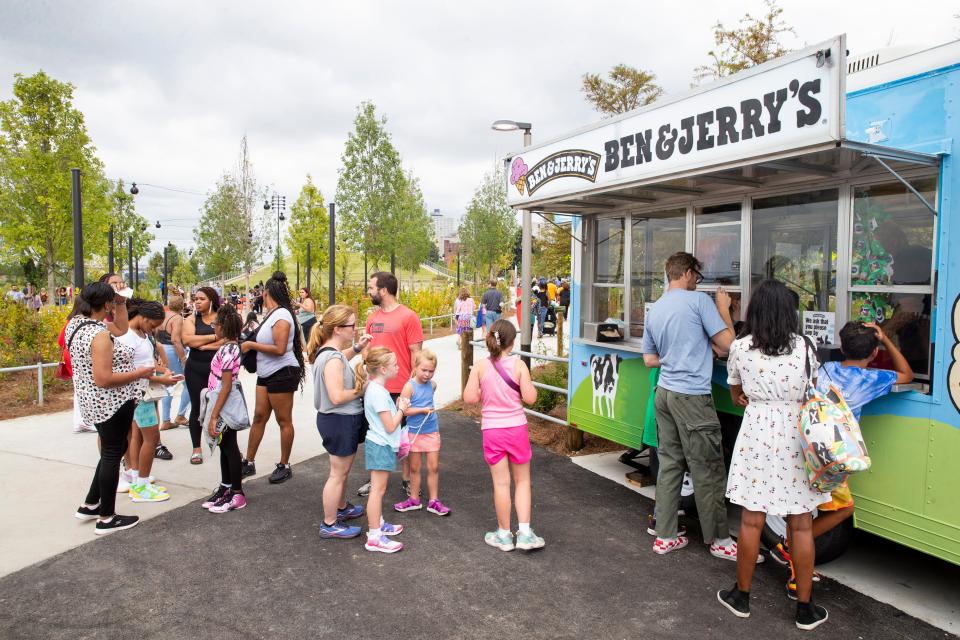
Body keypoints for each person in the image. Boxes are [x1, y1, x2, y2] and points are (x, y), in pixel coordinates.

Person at [772, 321, 914, 597]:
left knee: (802, 508)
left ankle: (793, 555)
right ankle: (792, 554)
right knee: (842, 510)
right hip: (832, 458)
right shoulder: (871, 380)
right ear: (874, 353)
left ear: (840, 346)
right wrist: (885, 339)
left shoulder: (825, 369)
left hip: (806, 447)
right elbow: (907, 374)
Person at [717, 280, 829, 630]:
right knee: (801, 522)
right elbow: (817, 390)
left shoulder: (741, 346)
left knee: (752, 519)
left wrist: (746, 397)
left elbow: (735, 388)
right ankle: (805, 607)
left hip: (757, 432)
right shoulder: (805, 347)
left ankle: (742, 596)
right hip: (797, 434)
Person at [641, 252, 741, 559]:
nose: (699, 279)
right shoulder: (699, 303)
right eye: (697, 274)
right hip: (692, 397)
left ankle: (665, 535)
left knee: (670, 465)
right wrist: (724, 310)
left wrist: (686, 354)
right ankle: (721, 541)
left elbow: (649, 359)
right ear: (686, 272)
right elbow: (730, 346)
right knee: (708, 468)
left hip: (665, 393)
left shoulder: (656, 308)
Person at [68, 282, 155, 534]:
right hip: (110, 402)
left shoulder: (78, 324)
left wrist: (119, 302)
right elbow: (104, 378)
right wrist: (139, 372)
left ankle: (91, 504)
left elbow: (121, 327)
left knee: (113, 450)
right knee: (112, 453)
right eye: (113, 301)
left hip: (92, 402)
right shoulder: (99, 336)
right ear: (105, 304)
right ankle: (106, 517)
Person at [463, 319, 544, 551]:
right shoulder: (519, 366)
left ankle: (504, 534)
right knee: (523, 481)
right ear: (512, 341)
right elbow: (530, 398)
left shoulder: (480, 366)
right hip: (516, 428)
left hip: (492, 430)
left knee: (500, 483)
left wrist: (481, 390)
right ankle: (526, 534)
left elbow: (469, 398)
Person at [357, 271, 424, 498]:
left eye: (371, 287)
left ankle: (406, 479)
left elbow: (417, 354)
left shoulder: (408, 316)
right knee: (375, 435)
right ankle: (375, 479)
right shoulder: (372, 318)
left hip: (400, 388)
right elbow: (366, 349)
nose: (369, 291)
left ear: (383, 290)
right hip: (375, 389)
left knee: (402, 437)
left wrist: (412, 386)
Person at [309, 304, 372, 539]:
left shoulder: (328, 353)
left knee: (342, 472)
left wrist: (357, 348)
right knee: (338, 473)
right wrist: (362, 388)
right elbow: (336, 396)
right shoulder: (332, 359)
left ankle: (341, 507)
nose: (355, 329)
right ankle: (329, 523)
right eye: (352, 326)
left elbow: (340, 359)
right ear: (337, 329)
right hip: (339, 419)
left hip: (338, 420)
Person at [241, 271, 305, 484]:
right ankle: (248, 462)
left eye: (261, 293)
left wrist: (250, 345)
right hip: (266, 373)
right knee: (259, 416)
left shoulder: (283, 316)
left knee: (283, 420)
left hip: (283, 373)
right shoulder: (272, 313)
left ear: (267, 292)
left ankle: (284, 465)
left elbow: (279, 349)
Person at [118, 300, 178, 503]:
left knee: (141, 438)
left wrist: (162, 370)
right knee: (151, 439)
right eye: (152, 325)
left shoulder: (142, 334)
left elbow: (147, 364)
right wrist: (162, 378)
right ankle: (141, 485)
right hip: (140, 395)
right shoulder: (128, 337)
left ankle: (138, 480)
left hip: (143, 394)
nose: (153, 330)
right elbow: (133, 371)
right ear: (143, 317)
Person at [361, 346, 410, 553]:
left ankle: (378, 524)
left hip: (381, 444)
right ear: (382, 369)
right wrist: (402, 409)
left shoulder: (375, 388)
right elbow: (391, 426)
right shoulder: (378, 393)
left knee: (377, 490)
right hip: (381, 444)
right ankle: (374, 536)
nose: (398, 367)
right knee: (377, 491)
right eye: (394, 365)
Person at [201, 304, 249, 513]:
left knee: (229, 447)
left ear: (222, 327)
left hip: (224, 405)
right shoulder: (227, 347)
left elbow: (226, 385)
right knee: (224, 446)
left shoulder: (229, 350)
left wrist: (213, 416)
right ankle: (227, 486)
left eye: (215, 324)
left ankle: (237, 493)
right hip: (220, 401)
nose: (213, 327)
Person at [393, 349, 450, 516]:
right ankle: (414, 500)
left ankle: (434, 501)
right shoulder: (409, 387)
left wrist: (426, 411)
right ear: (415, 367)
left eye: (431, 371)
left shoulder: (433, 385)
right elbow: (403, 410)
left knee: (434, 467)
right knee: (415, 468)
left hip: (432, 431)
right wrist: (422, 410)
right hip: (414, 433)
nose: (427, 374)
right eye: (424, 370)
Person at [182, 287, 224, 465]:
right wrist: (214, 336)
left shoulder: (221, 318)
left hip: (218, 369)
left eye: (201, 299)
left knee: (219, 406)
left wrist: (204, 345)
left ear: (212, 300)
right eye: (195, 298)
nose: (197, 302)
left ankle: (222, 442)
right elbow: (187, 340)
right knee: (197, 408)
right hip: (195, 368)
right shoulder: (191, 319)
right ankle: (196, 448)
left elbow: (227, 340)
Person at [158, 295, 188, 438]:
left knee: (167, 384)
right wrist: (183, 358)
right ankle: (181, 415)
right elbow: (176, 340)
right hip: (171, 350)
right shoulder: (177, 318)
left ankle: (165, 419)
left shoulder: (163, 316)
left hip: (160, 349)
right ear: (182, 305)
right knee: (188, 382)